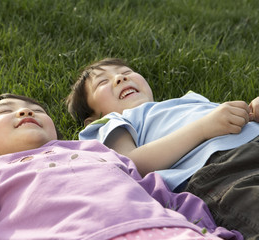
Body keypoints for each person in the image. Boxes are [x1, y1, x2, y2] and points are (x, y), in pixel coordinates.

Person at [0, 93, 242, 240]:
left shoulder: (93, 150)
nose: (25, 112)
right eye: (6, 111)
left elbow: (158, 192)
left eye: (35, 109)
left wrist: (206, 229)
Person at [66, 58, 259, 239]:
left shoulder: (187, 100)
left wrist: (251, 111)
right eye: (102, 82)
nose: (120, 78)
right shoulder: (112, 121)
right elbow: (131, 164)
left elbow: (232, 118)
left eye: (126, 72)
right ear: (91, 119)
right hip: (221, 169)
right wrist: (203, 128)